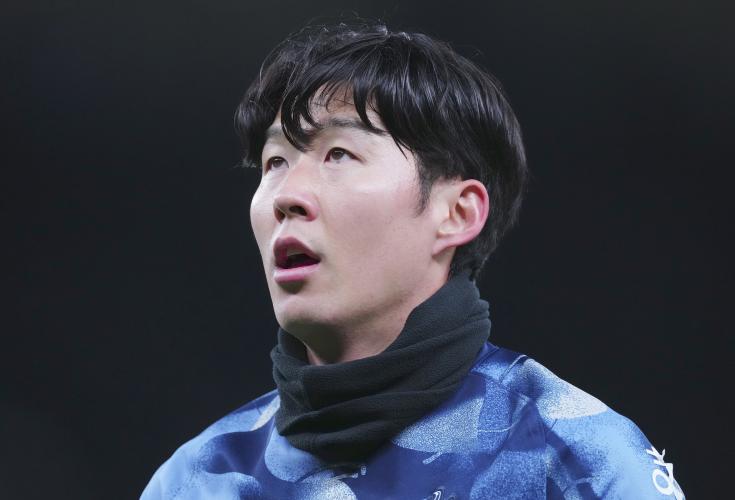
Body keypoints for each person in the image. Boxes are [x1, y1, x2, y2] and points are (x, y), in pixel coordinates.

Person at [141, 20, 684, 499]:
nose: (287, 195)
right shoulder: (198, 481)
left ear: (457, 213)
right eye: (275, 161)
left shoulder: (575, 460)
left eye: (339, 154)